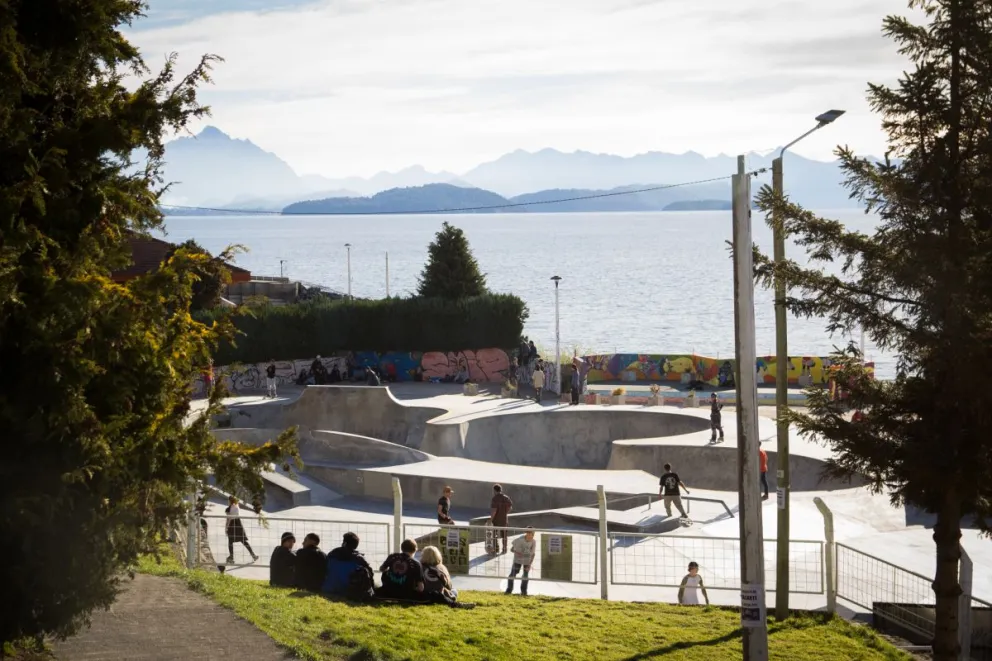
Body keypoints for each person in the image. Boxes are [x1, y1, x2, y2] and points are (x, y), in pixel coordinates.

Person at [322, 532, 374, 597]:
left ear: (344, 543)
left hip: (328, 589)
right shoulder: (359, 558)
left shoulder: (332, 554)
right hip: (348, 591)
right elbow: (370, 573)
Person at [224, 496, 258, 564]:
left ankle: (231, 558)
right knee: (243, 541)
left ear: (229, 501)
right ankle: (253, 555)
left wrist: (226, 528)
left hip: (232, 525)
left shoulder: (228, 509)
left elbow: (229, 519)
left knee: (230, 542)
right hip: (238, 524)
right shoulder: (237, 506)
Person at [505, 528, 536, 596]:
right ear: (526, 533)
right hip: (518, 560)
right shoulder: (520, 539)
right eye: (528, 534)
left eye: (532, 535)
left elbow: (533, 554)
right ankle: (509, 589)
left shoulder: (533, 542)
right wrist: (517, 552)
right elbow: (511, 549)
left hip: (527, 561)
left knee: (525, 575)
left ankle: (524, 591)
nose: (530, 536)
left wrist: (529, 565)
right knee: (512, 574)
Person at [490, 484, 513, 554]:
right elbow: (510, 507)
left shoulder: (495, 499)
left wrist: (491, 519)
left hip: (496, 519)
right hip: (504, 519)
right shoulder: (506, 498)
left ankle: (496, 548)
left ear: (494, 490)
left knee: (494, 534)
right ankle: (504, 549)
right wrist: (505, 513)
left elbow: (494, 510)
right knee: (504, 535)